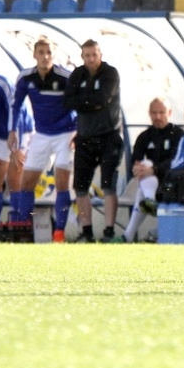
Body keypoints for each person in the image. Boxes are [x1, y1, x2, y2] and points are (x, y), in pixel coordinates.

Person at [10, 37, 76, 243]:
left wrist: (79, 131)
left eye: (48, 52)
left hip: (66, 133)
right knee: (26, 182)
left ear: (53, 55)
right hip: (42, 134)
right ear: (34, 54)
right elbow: (16, 106)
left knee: (62, 180)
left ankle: (59, 232)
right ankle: (23, 230)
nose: (45, 56)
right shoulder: (25, 78)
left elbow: (82, 102)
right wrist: (13, 131)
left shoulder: (66, 76)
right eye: (41, 52)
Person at [63, 39, 123, 243]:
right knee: (80, 187)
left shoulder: (110, 73)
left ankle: (108, 232)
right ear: (82, 57)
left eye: (94, 55)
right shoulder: (77, 75)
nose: (91, 59)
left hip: (109, 137)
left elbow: (103, 98)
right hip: (85, 138)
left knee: (108, 186)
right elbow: (67, 101)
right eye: (87, 55)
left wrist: (83, 102)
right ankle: (86, 232)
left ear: (101, 55)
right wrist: (90, 103)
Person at [111, 97, 184, 243]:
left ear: (169, 113)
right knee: (144, 166)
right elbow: (135, 160)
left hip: (172, 182)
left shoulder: (179, 135)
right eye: (154, 113)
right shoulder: (145, 136)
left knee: (143, 187)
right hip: (150, 185)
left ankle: (128, 235)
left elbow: (176, 161)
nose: (158, 117)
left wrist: (155, 169)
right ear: (149, 113)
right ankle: (148, 203)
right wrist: (137, 169)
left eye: (161, 112)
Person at [0, 71, 33, 242]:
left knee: (15, 178)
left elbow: (16, 109)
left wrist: (16, 146)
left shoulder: (1, 82)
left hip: (19, 130)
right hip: (1, 135)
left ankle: (19, 229)